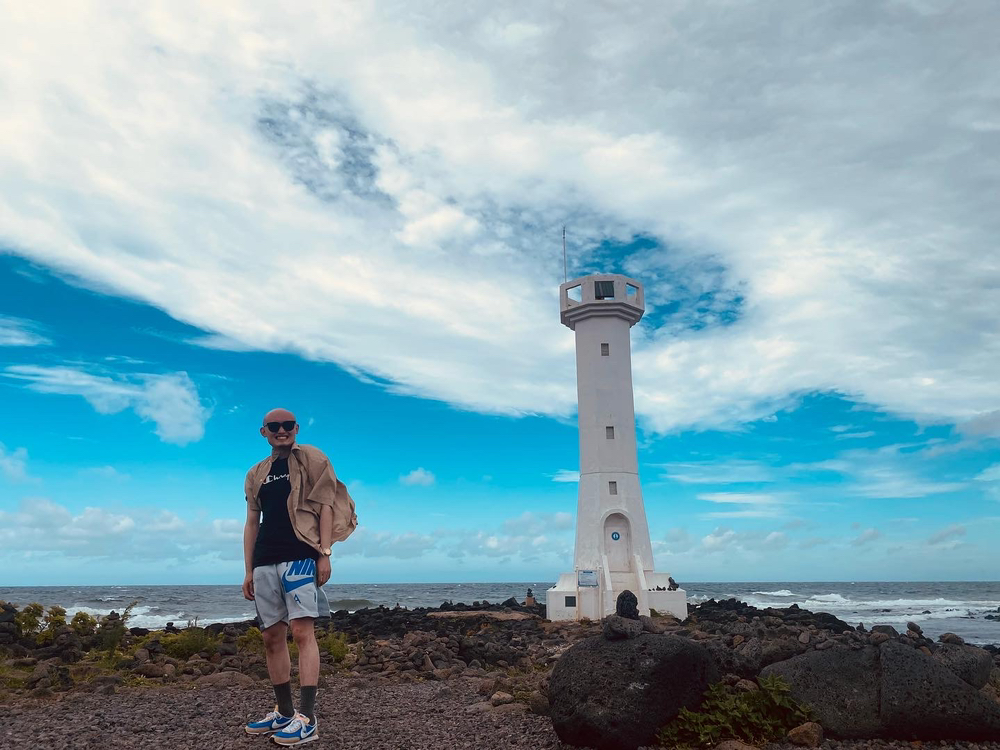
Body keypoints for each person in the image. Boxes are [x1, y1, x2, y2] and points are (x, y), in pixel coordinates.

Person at [242, 408, 357, 746]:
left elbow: (325, 507)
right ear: (263, 431)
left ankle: (307, 718)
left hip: (299, 557)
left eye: (287, 425)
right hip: (264, 561)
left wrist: (324, 552)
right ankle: (284, 712)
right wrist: (248, 569)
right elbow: (252, 522)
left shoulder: (311, 458)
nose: (282, 431)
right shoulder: (256, 473)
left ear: (296, 428)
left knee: (303, 631)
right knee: (271, 638)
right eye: (274, 426)